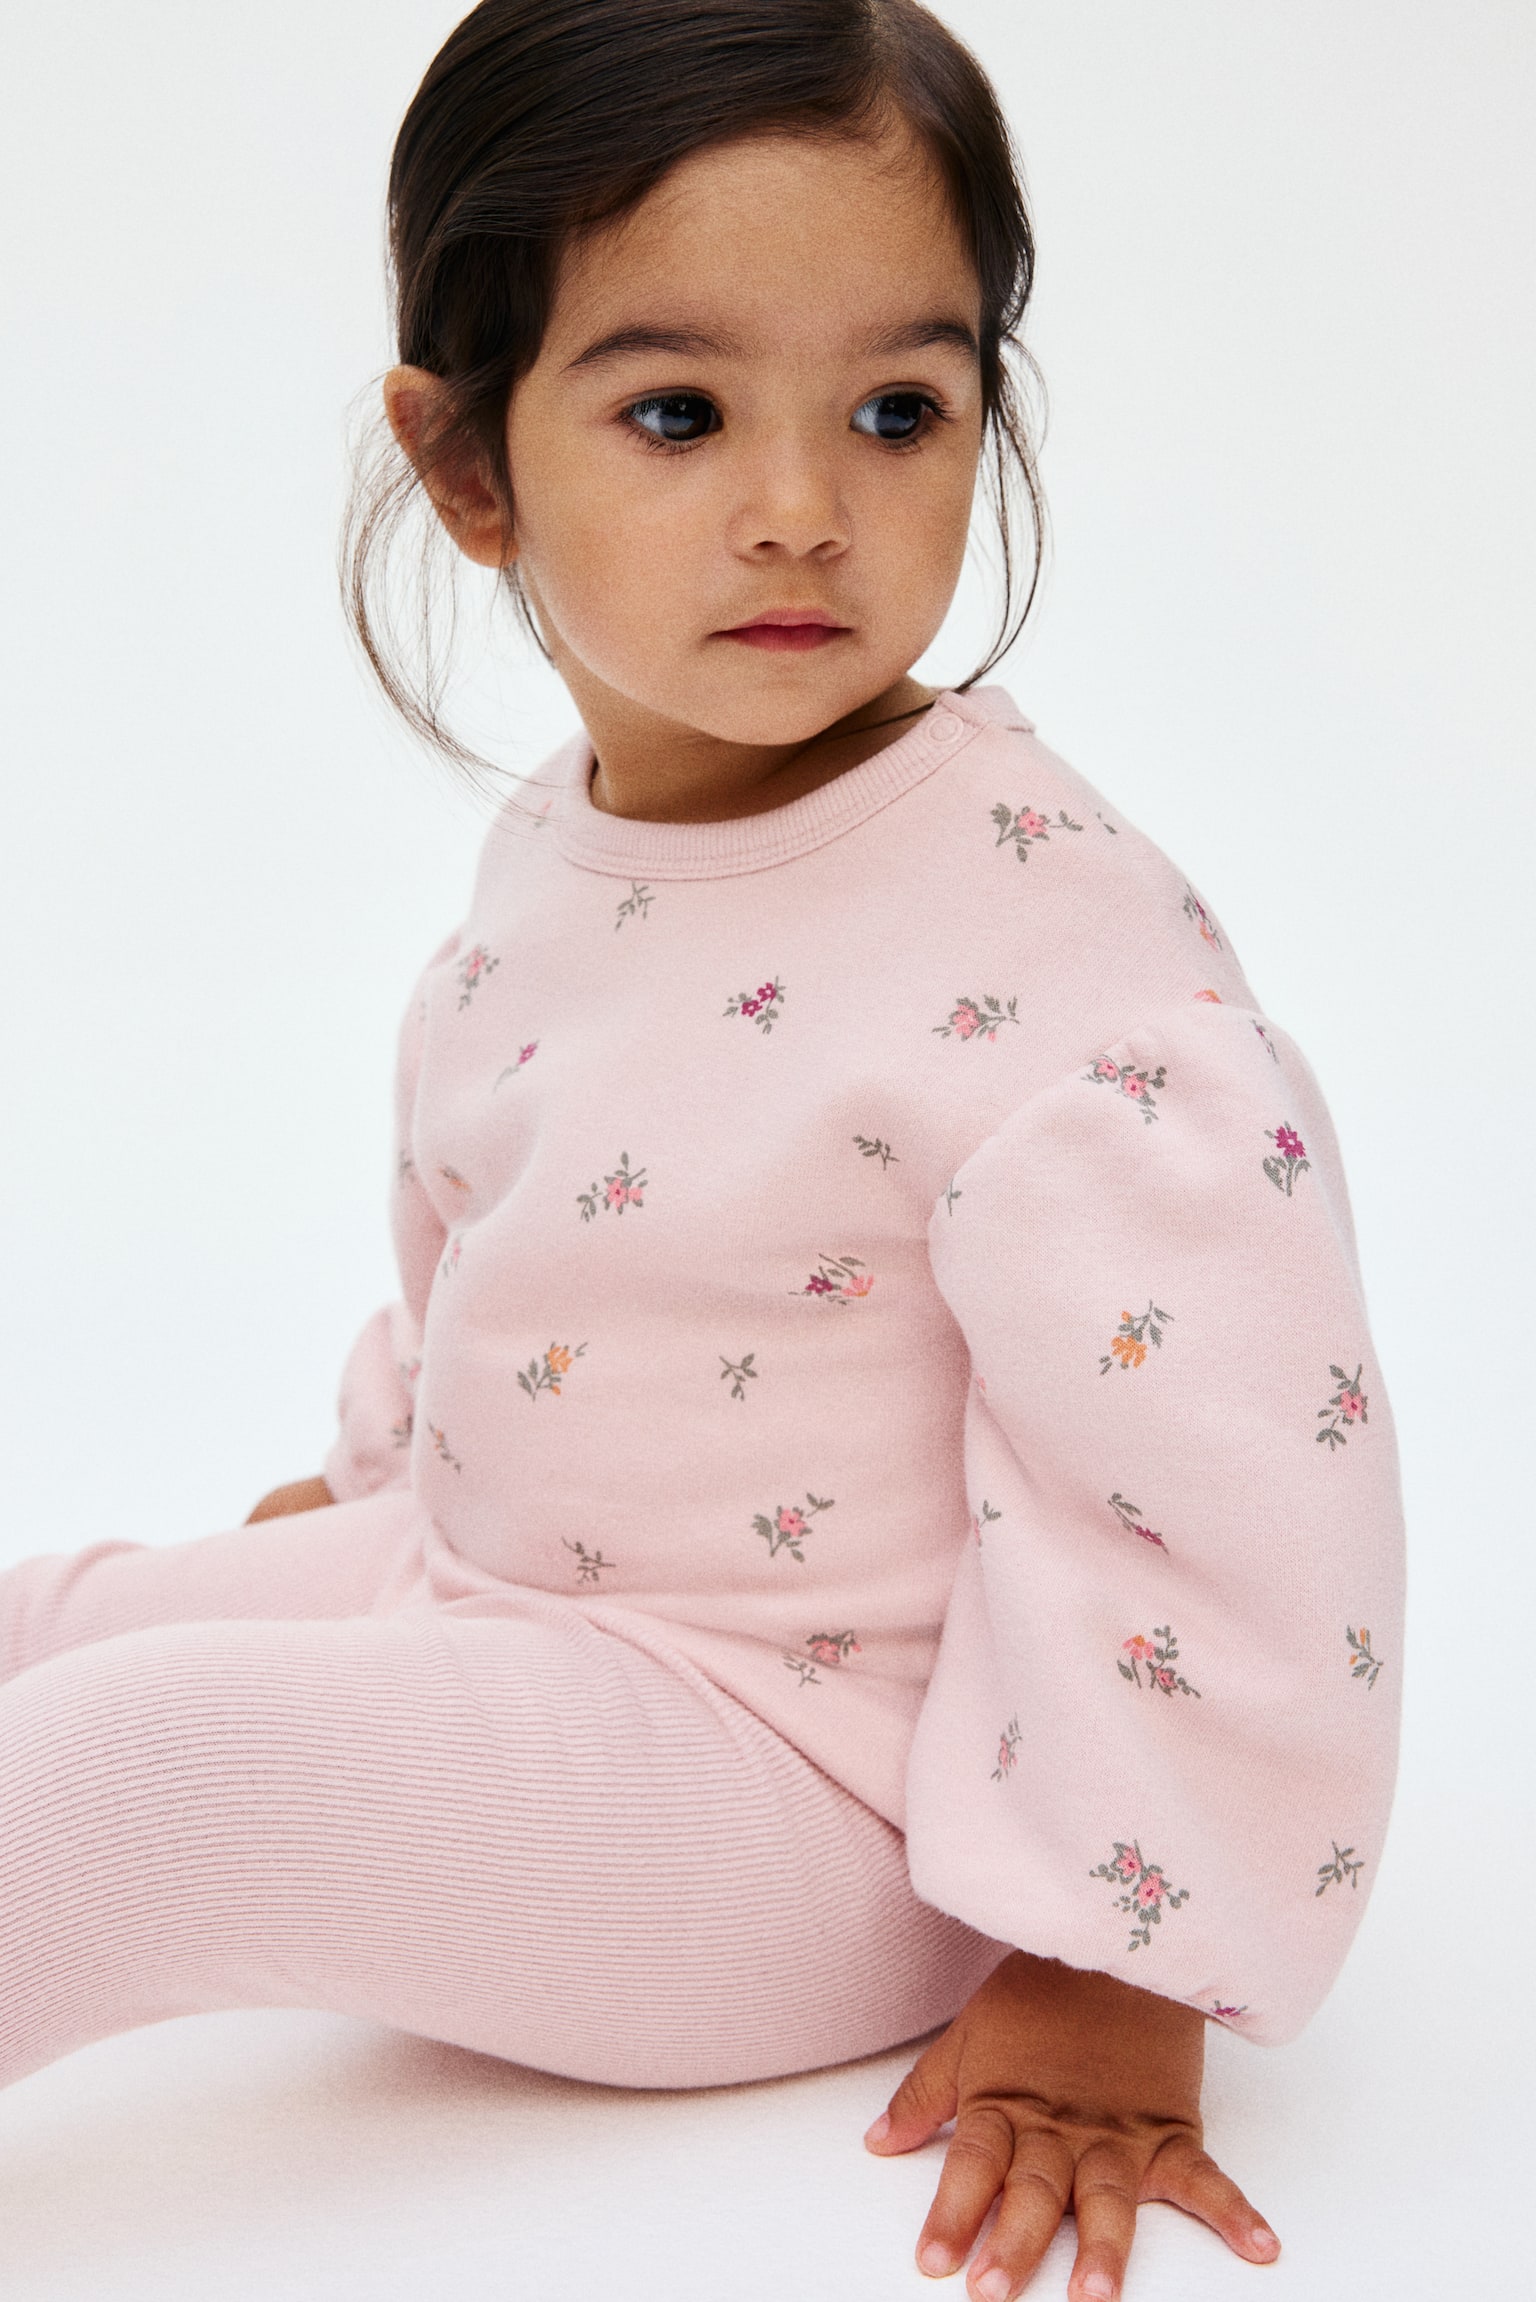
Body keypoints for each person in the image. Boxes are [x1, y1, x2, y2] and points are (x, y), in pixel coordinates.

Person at [0, 6, 1405, 2299]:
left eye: (898, 411)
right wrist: (379, 1472)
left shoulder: (1068, 965)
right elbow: (507, 1224)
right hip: (508, 1592)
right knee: (50, 1627)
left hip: (815, 1778)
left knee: (131, 1765)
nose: (802, 508)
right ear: (468, 469)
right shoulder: (566, 845)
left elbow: (1229, 1489)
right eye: (679, 413)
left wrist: (1117, 1955)